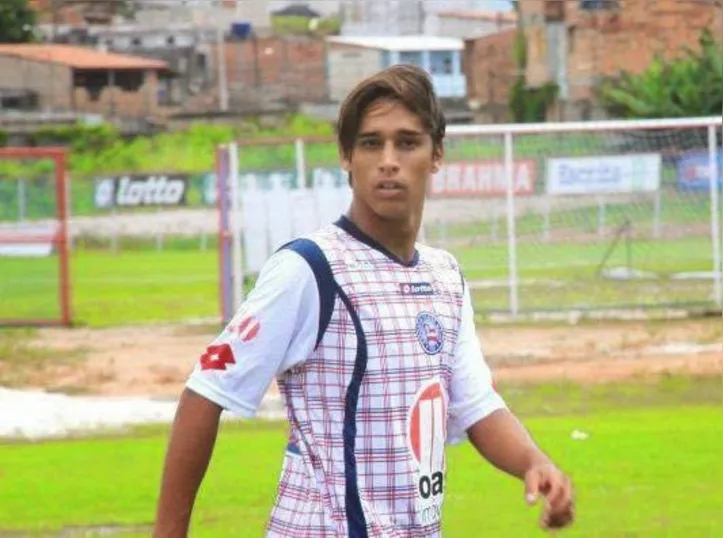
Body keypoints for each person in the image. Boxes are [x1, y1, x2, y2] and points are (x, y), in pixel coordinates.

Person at [153, 64, 575, 537]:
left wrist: (534, 462)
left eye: (407, 142)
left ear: (436, 155)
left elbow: (475, 405)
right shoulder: (309, 270)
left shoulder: (445, 276)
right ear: (346, 157)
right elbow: (206, 391)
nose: (388, 160)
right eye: (371, 143)